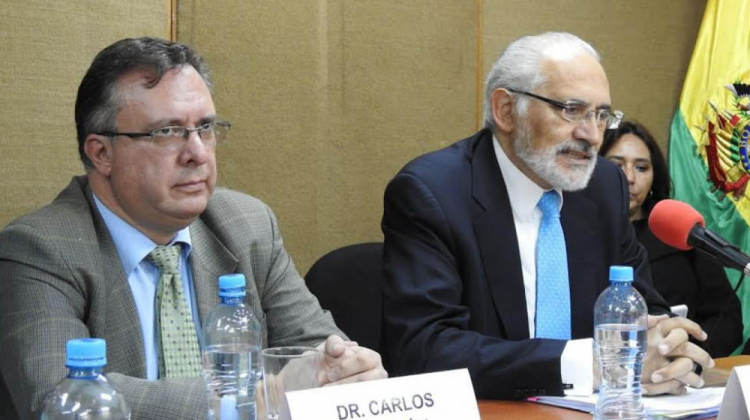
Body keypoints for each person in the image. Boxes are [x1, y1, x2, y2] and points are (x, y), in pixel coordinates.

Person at [0, 37, 386, 420]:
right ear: (101, 153)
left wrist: (348, 371)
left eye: (205, 127)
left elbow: (316, 351)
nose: (197, 153)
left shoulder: (247, 224)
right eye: (167, 132)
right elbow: (59, 398)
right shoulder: (40, 249)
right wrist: (260, 397)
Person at [381, 32, 713, 400]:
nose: (591, 135)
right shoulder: (433, 192)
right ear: (506, 110)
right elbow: (423, 348)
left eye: (602, 115)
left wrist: (669, 352)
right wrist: (590, 365)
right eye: (571, 110)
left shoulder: (602, 186)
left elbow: (644, 309)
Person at [600, 120, 743, 357]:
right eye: (616, 165)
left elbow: (727, 320)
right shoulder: (577, 233)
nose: (629, 178)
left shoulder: (680, 231)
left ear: (655, 176)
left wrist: (685, 356)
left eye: (641, 167)